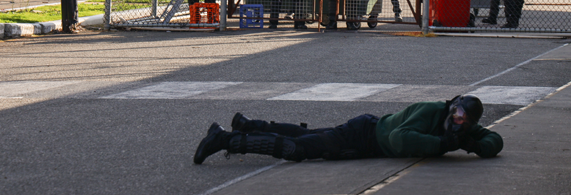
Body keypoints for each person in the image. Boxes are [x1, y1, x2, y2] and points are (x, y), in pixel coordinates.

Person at [193, 94, 503, 164]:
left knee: (306, 135)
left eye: (465, 119)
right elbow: (399, 139)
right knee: (299, 149)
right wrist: (444, 144)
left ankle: (249, 125)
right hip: (365, 134)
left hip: (364, 138)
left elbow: (495, 142)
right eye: (457, 113)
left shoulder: (461, 129)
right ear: (452, 107)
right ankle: (225, 139)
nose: (458, 119)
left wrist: (470, 141)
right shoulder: (432, 111)